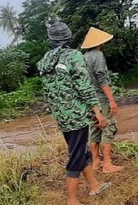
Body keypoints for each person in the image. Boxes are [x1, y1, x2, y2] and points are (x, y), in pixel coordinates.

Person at [37, 19, 111, 205]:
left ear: (51, 38)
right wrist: (97, 111)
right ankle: (72, 200)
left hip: (61, 115)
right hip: (76, 114)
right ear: (69, 37)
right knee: (76, 156)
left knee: (80, 150)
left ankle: (95, 186)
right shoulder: (73, 56)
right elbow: (84, 87)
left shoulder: (45, 60)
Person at [80, 26, 123, 174]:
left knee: (94, 128)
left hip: (89, 100)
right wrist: (111, 100)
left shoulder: (84, 57)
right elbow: (102, 80)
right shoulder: (97, 55)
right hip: (100, 98)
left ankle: (96, 162)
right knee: (107, 127)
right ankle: (107, 164)